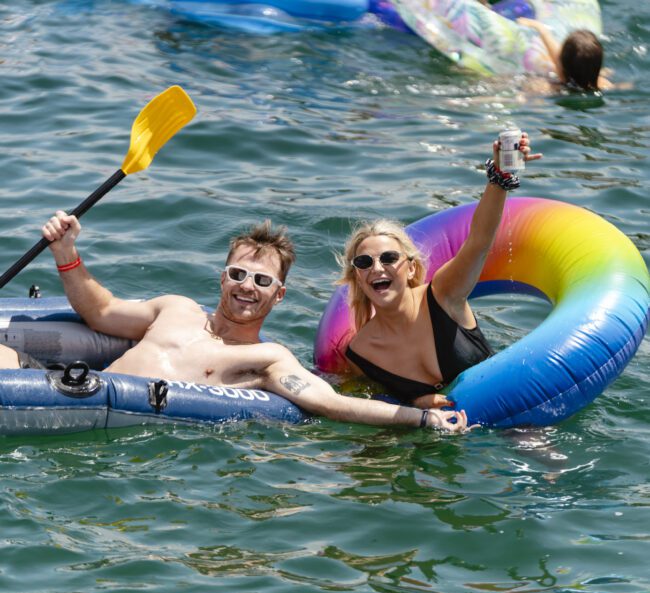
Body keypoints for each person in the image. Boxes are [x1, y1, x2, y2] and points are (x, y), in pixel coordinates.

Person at [0, 214, 468, 433]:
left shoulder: (264, 358)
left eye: (262, 280)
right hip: (71, 388)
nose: (247, 286)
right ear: (222, 278)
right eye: (238, 274)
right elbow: (99, 312)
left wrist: (423, 419)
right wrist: (66, 254)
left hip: (117, 425)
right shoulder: (176, 308)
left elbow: (332, 405)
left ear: (279, 294)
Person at [337, 132, 541, 409]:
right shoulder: (360, 353)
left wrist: (499, 178)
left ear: (410, 269)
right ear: (358, 279)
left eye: (388, 258)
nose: (377, 268)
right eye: (364, 263)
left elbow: (479, 242)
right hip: (434, 443)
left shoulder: (443, 295)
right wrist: (416, 405)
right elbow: (376, 407)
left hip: (510, 419)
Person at [516, 18, 612, 92]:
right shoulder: (604, 84)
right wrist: (540, 28)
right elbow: (557, 55)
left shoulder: (546, 88)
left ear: (560, 65)